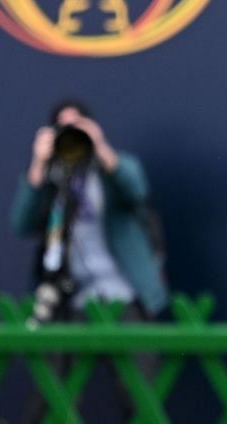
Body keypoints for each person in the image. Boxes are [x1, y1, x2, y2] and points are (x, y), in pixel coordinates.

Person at [10, 99, 168, 322]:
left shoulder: (108, 170)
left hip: (125, 295)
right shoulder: (53, 179)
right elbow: (21, 223)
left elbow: (137, 190)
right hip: (75, 300)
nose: (71, 134)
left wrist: (100, 146)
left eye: (78, 126)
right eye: (64, 128)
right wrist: (38, 164)